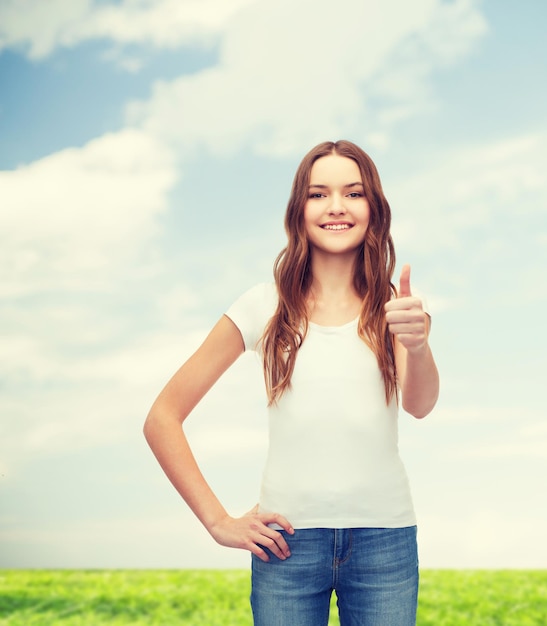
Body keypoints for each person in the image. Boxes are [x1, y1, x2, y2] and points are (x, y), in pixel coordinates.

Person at [143, 140, 439, 625]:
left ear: (374, 209)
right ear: (299, 210)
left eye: (354, 193)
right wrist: (218, 522)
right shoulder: (264, 305)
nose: (337, 207)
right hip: (286, 545)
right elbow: (162, 417)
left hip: (384, 540)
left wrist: (419, 344)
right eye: (319, 194)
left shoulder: (397, 306)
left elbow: (421, 405)